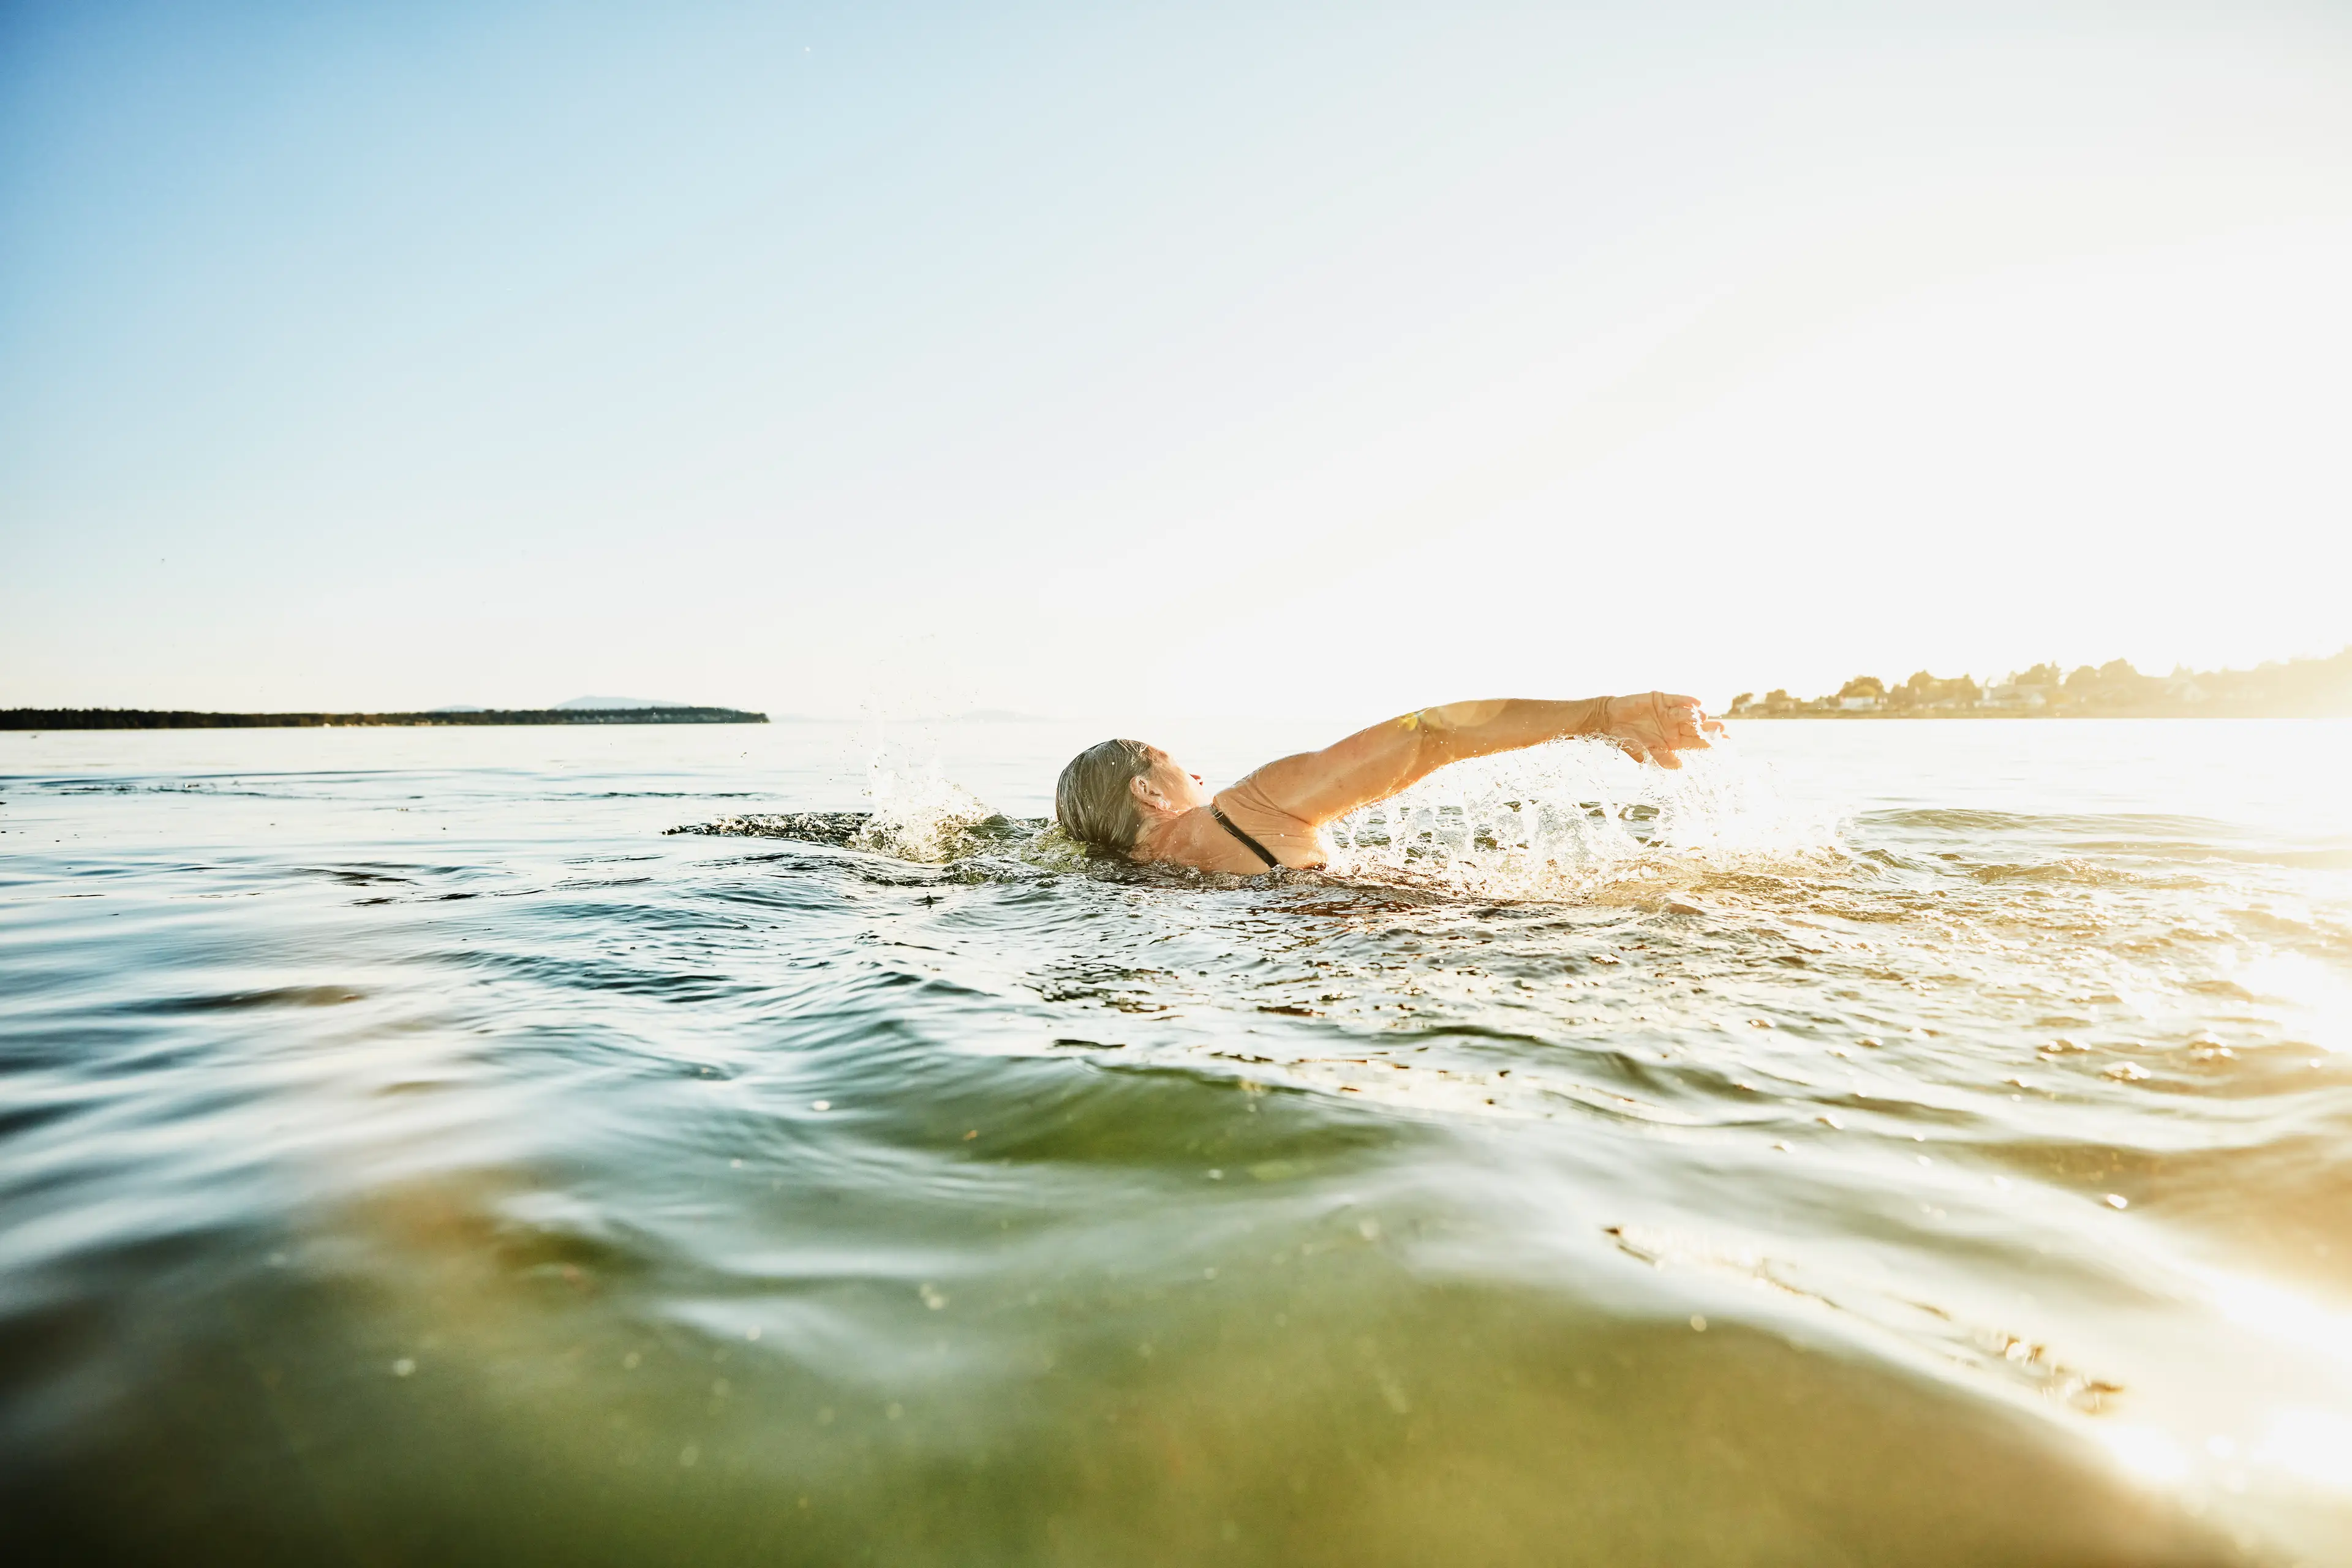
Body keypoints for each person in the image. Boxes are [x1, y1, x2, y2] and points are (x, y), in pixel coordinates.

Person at [1054, 693, 1722, 875]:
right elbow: (1429, 734)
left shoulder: (1131, 878)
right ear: (1148, 792)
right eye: (1176, 764)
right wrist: (1602, 716)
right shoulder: (1247, 809)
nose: (1198, 774)